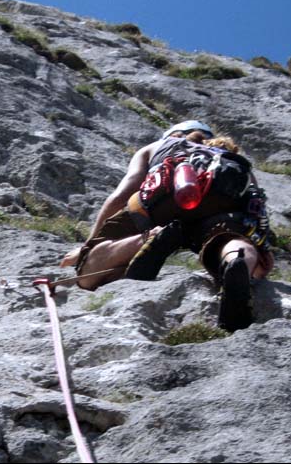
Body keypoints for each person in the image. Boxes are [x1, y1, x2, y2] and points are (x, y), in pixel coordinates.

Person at [60, 120, 274, 331]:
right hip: (221, 203)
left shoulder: (158, 146)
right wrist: (260, 250)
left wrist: (87, 248)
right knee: (232, 240)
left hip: (164, 201)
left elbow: (121, 195)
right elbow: (253, 205)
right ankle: (236, 260)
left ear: (172, 134)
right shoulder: (231, 157)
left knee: (88, 273)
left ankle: (149, 238)